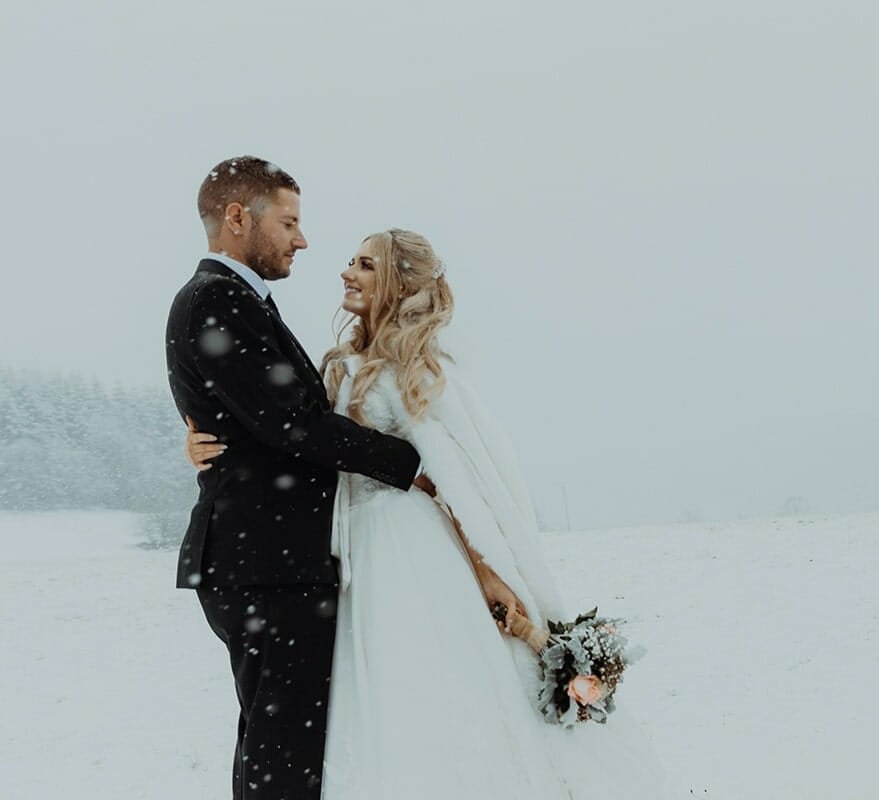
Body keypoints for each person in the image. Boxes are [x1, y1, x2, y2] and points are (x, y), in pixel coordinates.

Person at [185, 228, 673, 798]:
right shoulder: (340, 365)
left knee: (421, 689)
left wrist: (486, 568)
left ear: (398, 282)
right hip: (344, 553)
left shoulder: (418, 370)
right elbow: (292, 427)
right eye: (351, 261)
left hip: (409, 552)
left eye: (365, 265)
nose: (347, 272)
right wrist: (202, 443)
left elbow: (455, 480)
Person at [166, 157, 528, 800]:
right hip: (268, 560)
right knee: (281, 749)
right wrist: (409, 467)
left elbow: (262, 415)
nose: (304, 241)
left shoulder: (239, 302)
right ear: (237, 218)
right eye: (290, 222)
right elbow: (291, 422)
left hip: (291, 556)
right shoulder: (218, 297)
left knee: (287, 743)